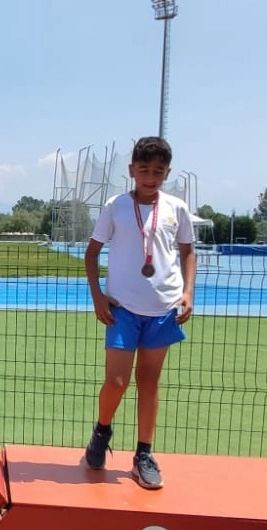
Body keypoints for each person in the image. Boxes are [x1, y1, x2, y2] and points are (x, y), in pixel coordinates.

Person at [83, 136, 195, 490]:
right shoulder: (115, 206)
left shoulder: (177, 208)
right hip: (122, 309)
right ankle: (102, 431)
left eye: (158, 171)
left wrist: (188, 292)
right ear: (132, 170)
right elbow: (91, 253)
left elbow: (188, 252)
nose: (150, 177)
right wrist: (98, 297)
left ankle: (143, 454)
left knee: (149, 382)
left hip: (163, 308)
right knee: (117, 382)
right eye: (144, 170)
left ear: (167, 173)